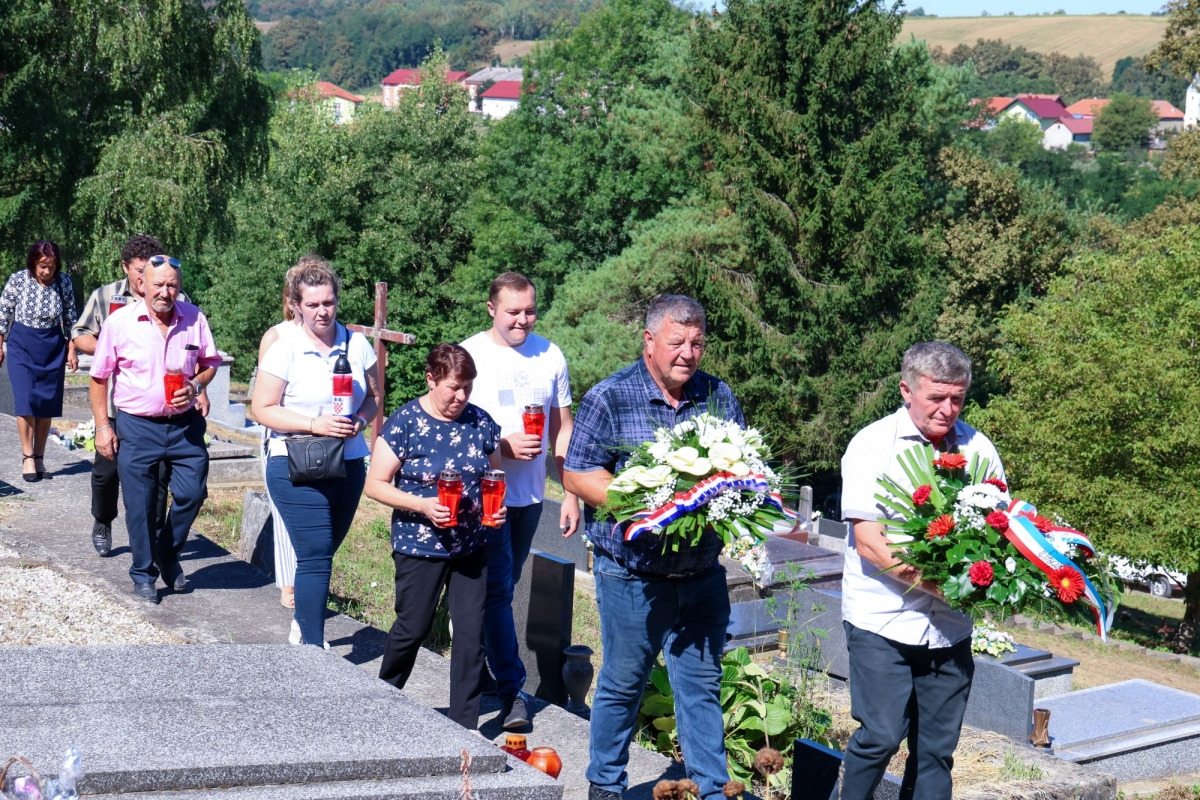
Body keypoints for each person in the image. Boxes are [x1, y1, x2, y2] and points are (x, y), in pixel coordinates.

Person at [563, 295, 741, 800]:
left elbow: (739, 464)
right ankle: (605, 785)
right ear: (649, 341)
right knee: (624, 684)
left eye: (697, 342)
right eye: (676, 341)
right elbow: (577, 472)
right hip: (633, 576)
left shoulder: (717, 395)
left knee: (701, 686)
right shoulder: (610, 396)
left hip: (702, 573)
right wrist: (640, 500)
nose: (688, 352)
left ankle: (712, 790)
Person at [838, 341, 1006, 800]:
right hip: (882, 619)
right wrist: (943, 587)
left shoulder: (979, 449)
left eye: (958, 398)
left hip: (949, 630)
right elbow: (871, 544)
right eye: (936, 398)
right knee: (880, 738)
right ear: (906, 391)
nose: (948, 409)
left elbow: (998, 530)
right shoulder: (872, 445)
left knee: (936, 753)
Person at [460, 271, 580, 730]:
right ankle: (512, 691)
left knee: (502, 590)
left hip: (529, 495)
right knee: (494, 591)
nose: (523, 320)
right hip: (483, 494)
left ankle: (484, 667)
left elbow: (562, 428)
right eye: (513, 312)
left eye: (530, 311)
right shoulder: (471, 354)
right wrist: (501, 447)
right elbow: (452, 424)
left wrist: (569, 492)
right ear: (492, 308)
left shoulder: (550, 355)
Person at [365, 343, 505, 732]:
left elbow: (493, 476)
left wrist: (497, 507)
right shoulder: (406, 423)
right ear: (431, 379)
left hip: (471, 545)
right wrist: (423, 505)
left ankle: (464, 727)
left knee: (471, 635)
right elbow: (375, 485)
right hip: (419, 545)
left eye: (467, 389)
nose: (461, 397)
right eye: (453, 388)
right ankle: (382, 702)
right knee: (413, 627)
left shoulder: (480, 422)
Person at [252, 258, 378, 648]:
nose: (323, 311)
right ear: (296, 305)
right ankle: (312, 650)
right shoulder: (284, 346)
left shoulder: (357, 344)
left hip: (349, 462)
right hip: (294, 463)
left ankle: (303, 622)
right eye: (313, 305)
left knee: (323, 553)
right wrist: (313, 424)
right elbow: (262, 409)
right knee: (316, 552)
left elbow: (374, 397)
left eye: (329, 302)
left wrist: (359, 419)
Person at [89, 255, 222, 604]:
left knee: (193, 492)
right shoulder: (120, 324)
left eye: (172, 285)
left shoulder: (194, 319)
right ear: (142, 284)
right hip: (137, 426)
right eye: (158, 284)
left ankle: (167, 550)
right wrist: (103, 427)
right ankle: (144, 573)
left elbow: (210, 363)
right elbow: (99, 377)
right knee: (141, 505)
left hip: (184, 425)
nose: (165, 292)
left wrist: (195, 385)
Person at [72, 234, 210, 556]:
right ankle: (103, 519)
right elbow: (79, 335)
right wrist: (112, 348)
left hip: (164, 406)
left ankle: (154, 542)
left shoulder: (174, 296)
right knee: (107, 471)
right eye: (138, 270)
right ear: (127, 268)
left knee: (157, 480)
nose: (144, 277)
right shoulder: (107, 297)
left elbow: (193, 350)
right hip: (116, 403)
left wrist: (198, 390)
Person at [252, 262, 309, 611]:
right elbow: (263, 395)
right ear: (292, 298)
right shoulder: (277, 336)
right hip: (283, 436)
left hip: (324, 439)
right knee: (286, 509)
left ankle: (310, 576)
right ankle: (288, 584)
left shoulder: (336, 335)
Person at [0, 241, 79, 482]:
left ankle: (40, 455)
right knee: (25, 401)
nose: (46, 272)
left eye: (51, 267)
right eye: (42, 266)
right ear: (33, 263)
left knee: (46, 402)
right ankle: (27, 457)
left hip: (52, 345)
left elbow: (71, 316)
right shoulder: (18, 280)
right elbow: (3, 311)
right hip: (22, 344)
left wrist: (72, 347)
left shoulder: (63, 282)